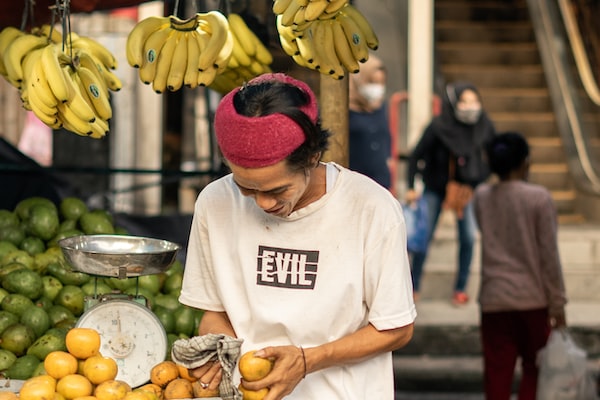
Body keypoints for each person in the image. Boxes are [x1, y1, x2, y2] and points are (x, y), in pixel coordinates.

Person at [178, 73, 416, 400]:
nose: (263, 203)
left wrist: (307, 361)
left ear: (312, 158)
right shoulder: (215, 201)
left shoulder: (371, 207)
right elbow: (214, 313)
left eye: (278, 190)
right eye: (246, 188)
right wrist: (221, 353)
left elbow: (396, 328)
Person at [473, 132, 567, 400]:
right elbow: (548, 255)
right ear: (525, 163)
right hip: (532, 300)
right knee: (534, 370)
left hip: (494, 299)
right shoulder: (539, 198)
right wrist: (557, 304)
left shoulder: (482, 196)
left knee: (497, 373)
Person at [406, 81, 496, 304]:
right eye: (465, 102)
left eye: (474, 101)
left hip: (467, 191)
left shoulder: (484, 125)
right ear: (454, 103)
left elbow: (495, 153)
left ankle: (460, 288)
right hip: (436, 188)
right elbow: (416, 156)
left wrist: (482, 177)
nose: (470, 107)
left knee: (468, 238)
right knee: (423, 237)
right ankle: (412, 286)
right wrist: (410, 186)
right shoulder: (439, 126)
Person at [348, 54, 392, 190]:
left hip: (380, 183)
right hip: (353, 184)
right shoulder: (341, 111)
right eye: (372, 82)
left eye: (381, 83)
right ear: (359, 79)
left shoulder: (380, 108)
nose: (377, 88)